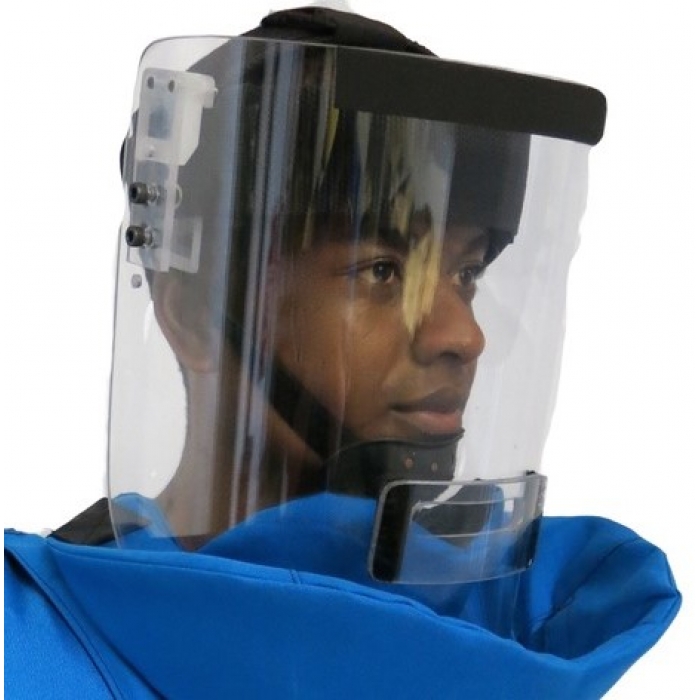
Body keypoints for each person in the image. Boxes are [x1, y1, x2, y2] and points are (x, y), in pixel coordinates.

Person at [4, 6, 681, 699]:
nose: (462, 334)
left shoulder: (516, 636)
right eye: (383, 271)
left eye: (466, 273)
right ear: (195, 318)